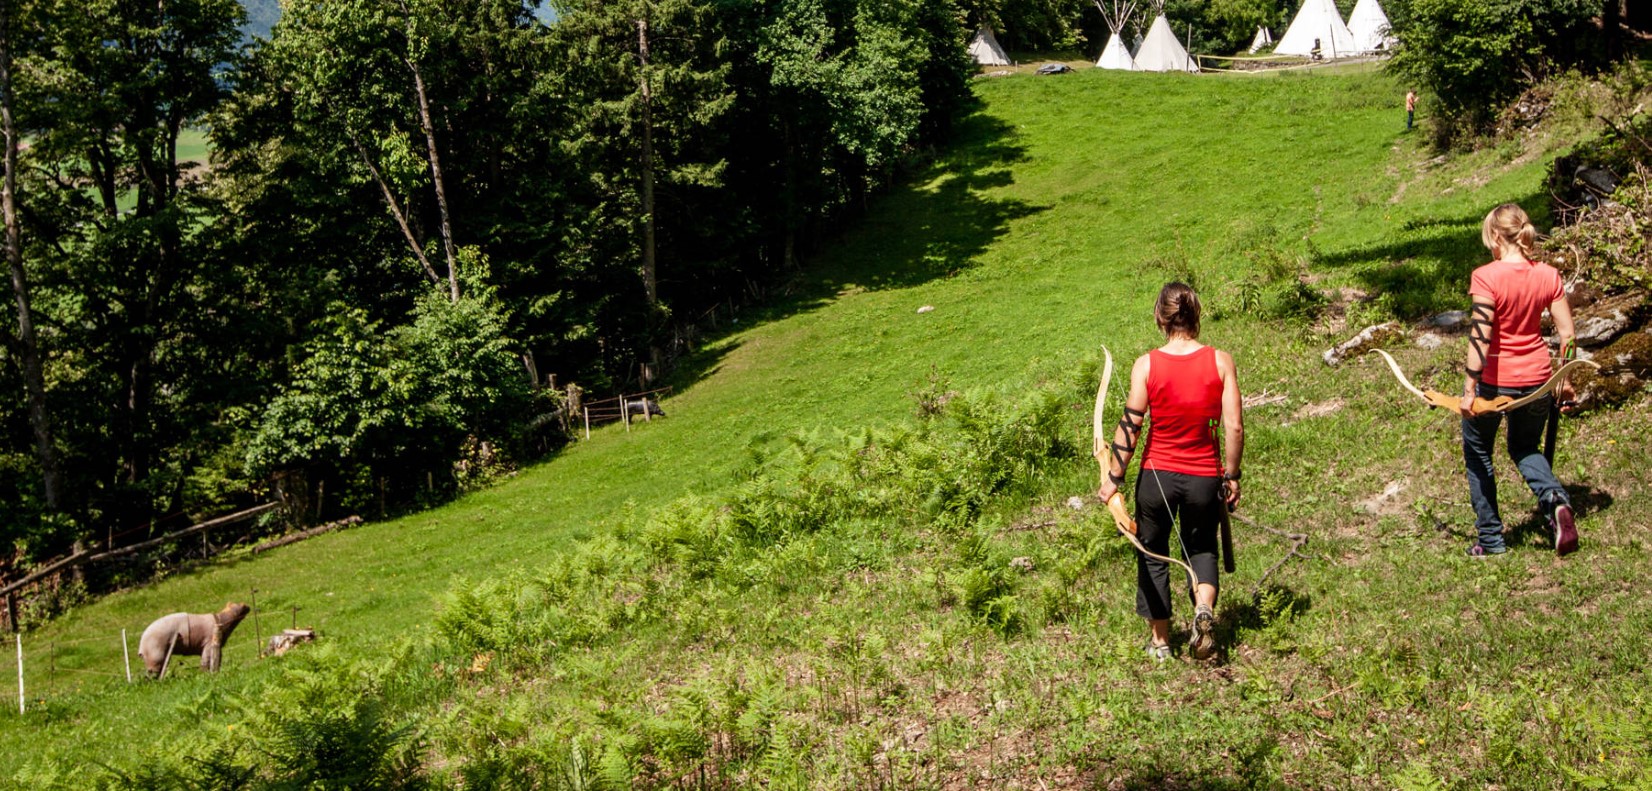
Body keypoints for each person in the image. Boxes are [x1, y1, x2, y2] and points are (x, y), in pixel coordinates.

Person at [1098, 283, 1244, 661]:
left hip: (1157, 477)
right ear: (1196, 314)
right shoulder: (1220, 361)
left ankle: (1161, 643)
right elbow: (1234, 428)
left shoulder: (1147, 364)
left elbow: (1131, 425)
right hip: (1203, 479)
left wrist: (1113, 479)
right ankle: (1204, 611)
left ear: (1160, 317)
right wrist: (1231, 475)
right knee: (1201, 548)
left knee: (1153, 553)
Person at [1460, 203, 1578, 557]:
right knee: (1525, 447)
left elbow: (1480, 336)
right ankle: (1555, 499)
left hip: (1495, 383)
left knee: (1478, 452)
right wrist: (1564, 380)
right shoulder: (1548, 275)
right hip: (1539, 379)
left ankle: (1492, 540)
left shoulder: (1486, 276)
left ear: (1497, 235)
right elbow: (1568, 333)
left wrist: (1469, 389)